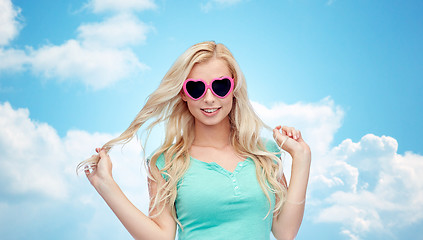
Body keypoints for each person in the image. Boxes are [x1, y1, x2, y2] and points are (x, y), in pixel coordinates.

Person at [78, 41, 311, 240]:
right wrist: (106, 186)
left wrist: (301, 158)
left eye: (220, 86)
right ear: (183, 93)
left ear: (234, 87)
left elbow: (285, 231)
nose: (209, 98)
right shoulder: (166, 162)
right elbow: (161, 237)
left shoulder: (266, 153)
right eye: (196, 88)